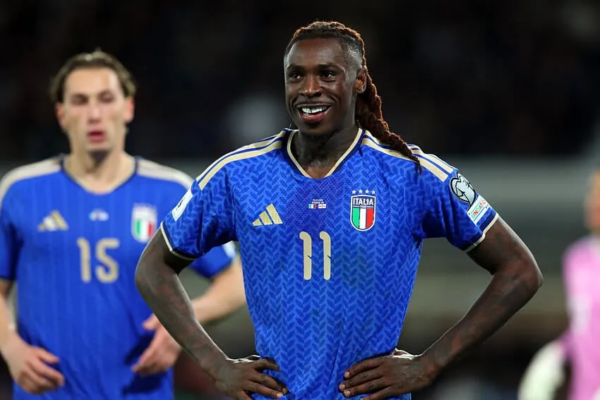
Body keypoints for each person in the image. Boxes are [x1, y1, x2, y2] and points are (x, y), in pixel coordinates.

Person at [135, 20, 543, 400]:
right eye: (296, 75)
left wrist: (429, 364)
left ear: (359, 81)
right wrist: (216, 366)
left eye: (327, 74)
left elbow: (520, 271)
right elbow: (153, 267)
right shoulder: (238, 175)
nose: (309, 88)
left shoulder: (411, 175)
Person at [0, 50, 246, 400]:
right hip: (46, 392)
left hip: (139, 391)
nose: (95, 114)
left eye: (106, 98)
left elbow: (236, 281)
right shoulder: (21, 191)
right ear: (61, 114)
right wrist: (10, 346)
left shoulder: (170, 191)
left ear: (128, 108)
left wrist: (183, 325)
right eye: (80, 101)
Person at [518, 170, 600, 400]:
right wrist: (559, 351)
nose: (592, 203)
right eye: (591, 193)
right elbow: (585, 325)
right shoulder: (577, 259)